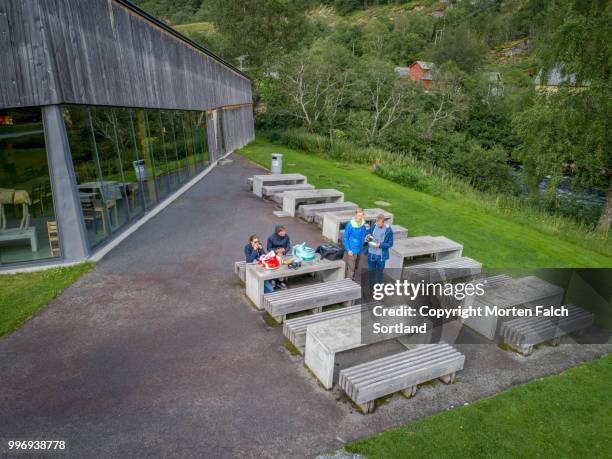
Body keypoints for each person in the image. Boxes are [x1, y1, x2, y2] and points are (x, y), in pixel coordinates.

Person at [366, 214, 394, 288]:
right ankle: (371, 288)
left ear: (383, 222)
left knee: (379, 273)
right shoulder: (373, 226)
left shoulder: (388, 230)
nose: (377, 224)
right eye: (376, 222)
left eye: (379, 223)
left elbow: (390, 244)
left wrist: (380, 245)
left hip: (380, 256)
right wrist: (368, 236)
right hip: (371, 254)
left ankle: (379, 289)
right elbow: (370, 235)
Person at [343, 208, 368, 280]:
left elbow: (364, 234)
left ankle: (352, 277)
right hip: (352, 249)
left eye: (362, 215)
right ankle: (349, 281)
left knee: (356, 266)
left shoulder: (363, 223)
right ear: (355, 215)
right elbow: (345, 238)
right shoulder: (350, 225)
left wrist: (366, 238)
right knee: (351, 267)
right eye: (359, 216)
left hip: (359, 249)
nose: (361, 217)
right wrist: (348, 250)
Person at [267, 225, 291, 289]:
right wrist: (276, 251)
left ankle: (280, 281)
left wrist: (284, 251)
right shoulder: (271, 238)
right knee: (275, 265)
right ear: (278, 232)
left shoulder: (286, 237)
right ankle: (273, 279)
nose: (284, 233)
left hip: (283, 254)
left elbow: (288, 246)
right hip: (274, 254)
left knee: (283, 265)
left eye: (284, 231)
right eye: (282, 231)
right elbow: (268, 248)